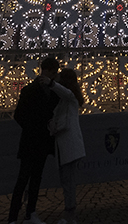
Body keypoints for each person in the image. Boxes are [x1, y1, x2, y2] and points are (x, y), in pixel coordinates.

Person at [8, 56, 59, 224]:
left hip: (41, 143)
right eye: (54, 72)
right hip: (31, 141)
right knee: (23, 179)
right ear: (48, 71)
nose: (54, 75)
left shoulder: (52, 91)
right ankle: (13, 218)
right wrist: (35, 127)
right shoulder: (30, 90)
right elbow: (19, 115)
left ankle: (31, 213)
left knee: (36, 179)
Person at [50, 68, 86, 224]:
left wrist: (51, 83)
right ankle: (69, 212)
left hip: (69, 145)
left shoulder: (70, 97)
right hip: (66, 145)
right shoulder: (67, 100)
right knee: (67, 180)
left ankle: (70, 213)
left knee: (68, 180)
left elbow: (67, 93)